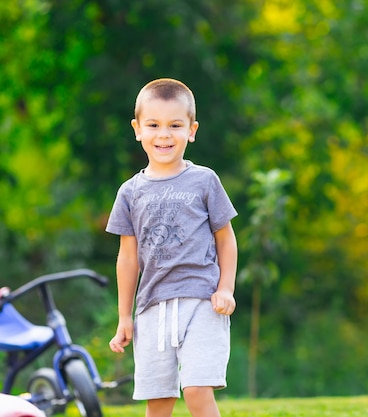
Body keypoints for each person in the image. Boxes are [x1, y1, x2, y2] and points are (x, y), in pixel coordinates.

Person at [107, 78, 238, 417]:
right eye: (153, 125)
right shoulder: (129, 192)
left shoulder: (205, 180)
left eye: (175, 125)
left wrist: (225, 288)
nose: (163, 134)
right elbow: (127, 257)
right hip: (152, 307)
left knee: (196, 389)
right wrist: (124, 316)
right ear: (137, 129)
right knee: (159, 401)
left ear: (191, 130)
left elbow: (226, 238)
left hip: (202, 302)